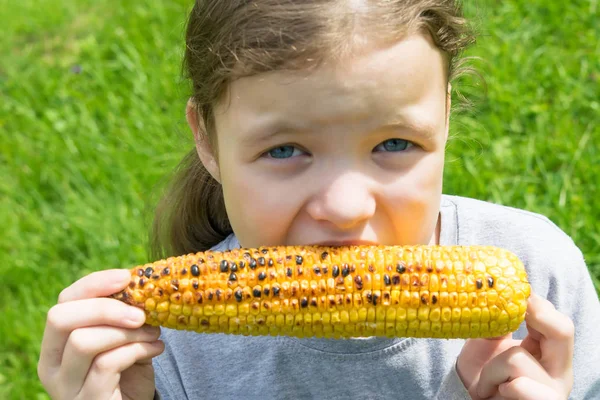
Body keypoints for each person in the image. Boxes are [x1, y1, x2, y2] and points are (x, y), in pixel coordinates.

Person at [37, 1, 600, 399]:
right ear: (207, 140)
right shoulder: (163, 353)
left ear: (446, 117)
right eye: (285, 150)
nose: (346, 206)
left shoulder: (543, 275)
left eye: (395, 143)